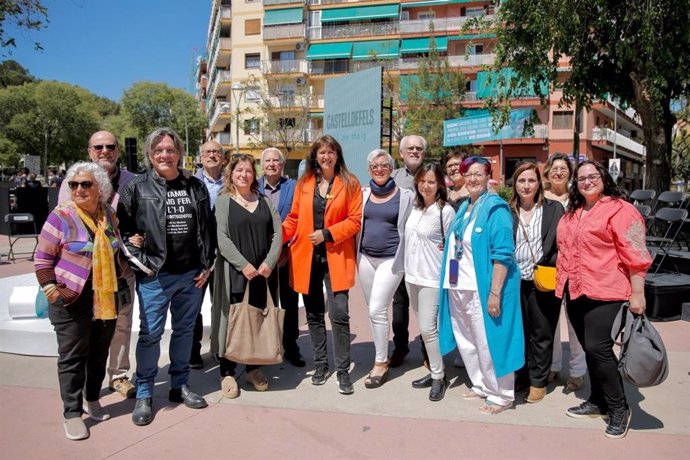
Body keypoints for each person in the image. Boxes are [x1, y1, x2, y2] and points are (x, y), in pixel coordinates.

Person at [117, 127, 216, 426]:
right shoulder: (136, 188)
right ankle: (145, 392)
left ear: (179, 153)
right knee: (150, 336)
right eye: (159, 150)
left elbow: (207, 229)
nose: (165, 155)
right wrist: (141, 263)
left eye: (170, 149)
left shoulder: (194, 186)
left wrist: (206, 266)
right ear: (150, 154)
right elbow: (122, 231)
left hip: (190, 276)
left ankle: (179, 384)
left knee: (185, 332)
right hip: (155, 276)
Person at [557, 160, 652, 439]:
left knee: (598, 348)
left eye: (592, 176)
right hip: (576, 289)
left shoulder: (621, 210)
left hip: (607, 290)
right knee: (590, 349)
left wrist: (638, 293)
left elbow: (635, 253)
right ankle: (598, 401)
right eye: (581, 178)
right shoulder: (573, 212)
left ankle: (619, 408)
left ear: (603, 178)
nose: (587, 182)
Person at [35, 162, 125, 440]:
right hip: (70, 298)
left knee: (99, 352)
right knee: (73, 357)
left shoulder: (108, 215)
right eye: (74, 185)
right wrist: (53, 291)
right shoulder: (60, 216)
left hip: (104, 297)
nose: (79, 189)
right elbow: (42, 259)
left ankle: (92, 399)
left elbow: (115, 251)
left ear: (101, 188)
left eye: (86, 184)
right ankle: (72, 412)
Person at [438, 156, 524, 414]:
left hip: (483, 288)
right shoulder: (466, 207)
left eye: (479, 174)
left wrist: (495, 293)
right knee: (468, 340)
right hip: (459, 285)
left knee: (489, 340)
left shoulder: (496, 209)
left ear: (488, 178)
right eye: (469, 174)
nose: (473, 178)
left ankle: (502, 394)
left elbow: (503, 254)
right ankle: (482, 385)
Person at [58, 131, 138, 399]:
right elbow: (63, 227)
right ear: (89, 150)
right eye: (98, 146)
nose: (105, 150)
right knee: (85, 332)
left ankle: (118, 376)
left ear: (118, 150)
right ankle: (83, 386)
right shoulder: (74, 180)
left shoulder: (131, 181)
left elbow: (140, 219)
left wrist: (136, 237)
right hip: (84, 275)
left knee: (121, 325)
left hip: (121, 269)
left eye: (110, 146)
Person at [282, 135, 362, 395]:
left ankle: (342, 371)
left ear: (337, 155)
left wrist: (327, 234)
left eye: (330, 152)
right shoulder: (305, 182)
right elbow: (294, 218)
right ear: (314, 157)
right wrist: (273, 240)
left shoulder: (350, 183)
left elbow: (355, 220)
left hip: (336, 256)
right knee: (314, 314)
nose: (325, 156)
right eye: (321, 152)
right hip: (307, 258)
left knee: (339, 314)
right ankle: (321, 365)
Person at [213, 154, 282, 398]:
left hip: (262, 273)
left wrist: (269, 262)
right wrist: (243, 265)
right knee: (231, 321)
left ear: (255, 174)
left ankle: (253, 367)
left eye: (249, 171)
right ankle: (227, 371)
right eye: (239, 170)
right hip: (235, 273)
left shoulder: (263, 200)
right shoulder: (223, 201)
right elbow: (222, 238)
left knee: (256, 318)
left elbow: (278, 232)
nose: (244, 174)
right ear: (231, 173)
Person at [357, 149, 414, 388]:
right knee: (374, 309)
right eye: (374, 166)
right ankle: (382, 350)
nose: (379, 169)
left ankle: (381, 362)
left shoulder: (406, 196)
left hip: (392, 259)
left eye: (384, 165)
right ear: (369, 169)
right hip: (365, 258)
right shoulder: (362, 194)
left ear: (392, 169)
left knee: (377, 309)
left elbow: (415, 225)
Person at [509, 162, 564, 403]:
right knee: (519, 331)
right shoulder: (507, 209)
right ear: (515, 184)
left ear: (539, 183)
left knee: (542, 332)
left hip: (543, 280)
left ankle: (538, 381)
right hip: (514, 280)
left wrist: (549, 264)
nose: (526, 185)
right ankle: (521, 376)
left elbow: (561, 244)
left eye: (531, 180)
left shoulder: (554, 209)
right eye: (522, 180)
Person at [404, 162, 455, 401]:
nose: (426, 185)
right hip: (411, 276)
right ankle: (433, 370)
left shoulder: (445, 211)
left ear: (440, 185)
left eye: (431, 182)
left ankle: (439, 376)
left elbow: (456, 247)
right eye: (423, 180)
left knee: (428, 329)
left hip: (432, 278)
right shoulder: (415, 207)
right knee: (424, 330)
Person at [258, 147, 305, 367]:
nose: (272, 164)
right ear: (262, 164)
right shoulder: (252, 186)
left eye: (276, 160)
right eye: (267, 160)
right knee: (262, 302)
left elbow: (300, 221)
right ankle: (265, 345)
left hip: (287, 254)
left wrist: (285, 249)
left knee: (288, 302)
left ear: (282, 164)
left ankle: (291, 345)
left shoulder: (294, 187)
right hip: (259, 256)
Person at [543, 153, 587, 390]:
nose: (558, 172)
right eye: (554, 168)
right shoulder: (541, 198)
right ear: (547, 172)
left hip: (575, 267)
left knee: (574, 320)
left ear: (569, 173)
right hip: (549, 268)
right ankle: (553, 366)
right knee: (551, 320)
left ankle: (578, 371)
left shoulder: (577, 199)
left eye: (563, 168)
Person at [389, 134, 426, 367]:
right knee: (399, 303)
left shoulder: (433, 175)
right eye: (409, 148)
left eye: (418, 148)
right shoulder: (392, 179)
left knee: (425, 304)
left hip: (426, 253)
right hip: (399, 250)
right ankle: (400, 347)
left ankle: (428, 351)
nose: (414, 151)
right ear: (401, 153)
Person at [190, 139, 226, 369]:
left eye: (216, 152)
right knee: (194, 305)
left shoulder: (232, 182)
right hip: (197, 255)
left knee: (221, 305)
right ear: (200, 157)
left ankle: (219, 347)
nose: (211, 155)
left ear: (223, 157)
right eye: (207, 152)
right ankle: (193, 350)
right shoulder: (189, 183)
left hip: (224, 255)